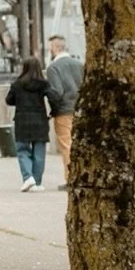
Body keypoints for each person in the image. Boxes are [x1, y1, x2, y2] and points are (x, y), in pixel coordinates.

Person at [5, 57, 59, 192]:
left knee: (23, 150)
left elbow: (9, 100)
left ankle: (28, 177)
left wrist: (20, 100)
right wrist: (53, 112)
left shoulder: (17, 84)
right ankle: (37, 182)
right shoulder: (44, 84)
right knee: (39, 153)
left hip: (22, 121)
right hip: (40, 120)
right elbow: (54, 98)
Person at [46, 34, 84, 190]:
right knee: (80, 145)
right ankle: (83, 177)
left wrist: (53, 110)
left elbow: (57, 92)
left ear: (55, 48)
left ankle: (71, 178)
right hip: (81, 110)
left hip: (64, 111)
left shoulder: (53, 68)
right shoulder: (79, 65)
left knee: (66, 145)